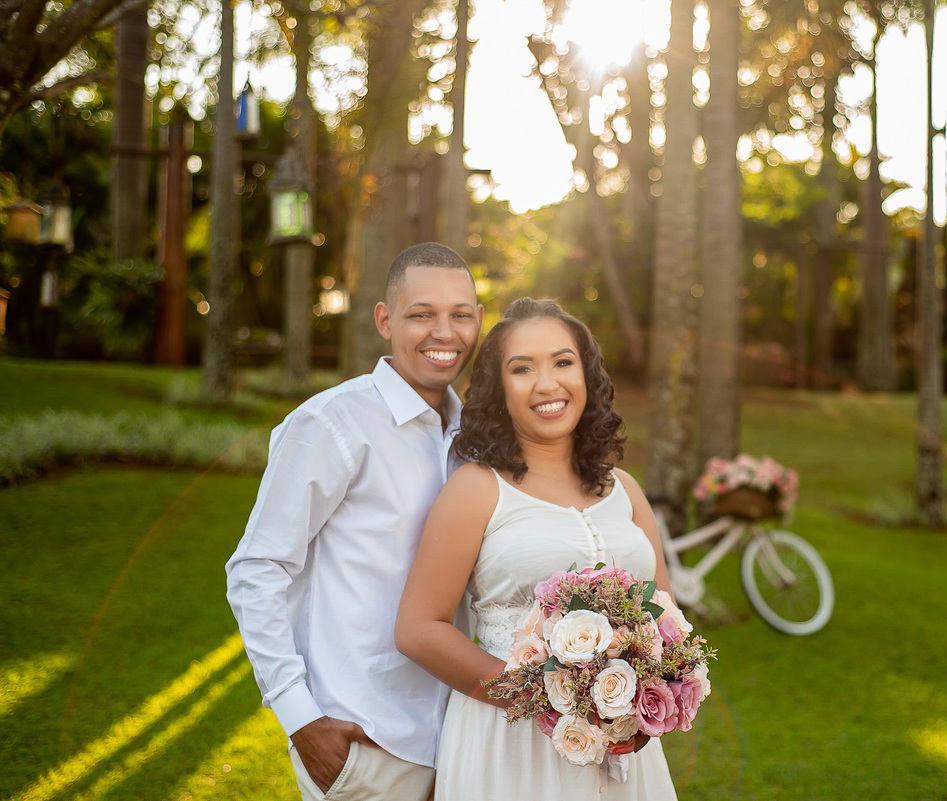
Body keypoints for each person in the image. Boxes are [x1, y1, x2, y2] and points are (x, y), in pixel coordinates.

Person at [226, 242, 484, 801]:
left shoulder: (476, 439)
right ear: (385, 320)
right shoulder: (331, 423)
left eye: (460, 315)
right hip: (364, 740)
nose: (444, 333)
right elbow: (256, 569)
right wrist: (300, 718)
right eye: (422, 314)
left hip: (462, 743)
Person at [395, 298, 679, 801]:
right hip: (511, 744)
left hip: (622, 748)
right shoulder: (476, 488)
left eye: (563, 362)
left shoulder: (627, 490)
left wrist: (648, 689)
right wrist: (545, 699)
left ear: (586, 376)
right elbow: (418, 629)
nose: (547, 384)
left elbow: (666, 614)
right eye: (522, 369)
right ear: (499, 389)